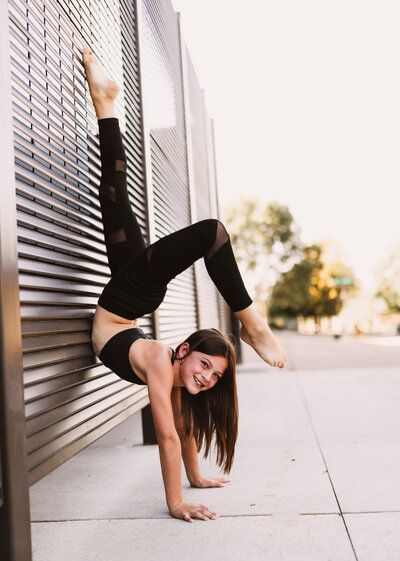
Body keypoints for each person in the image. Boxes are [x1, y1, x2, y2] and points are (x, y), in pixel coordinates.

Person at [82, 47, 286, 523]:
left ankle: (106, 104)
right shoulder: (158, 359)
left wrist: (196, 478)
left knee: (113, 197)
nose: (206, 378)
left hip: (125, 303)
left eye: (213, 375)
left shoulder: (168, 372)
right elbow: (168, 436)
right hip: (126, 300)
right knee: (212, 232)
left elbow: (183, 431)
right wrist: (176, 502)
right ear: (183, 350)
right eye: (205, 366)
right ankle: (249, 318)